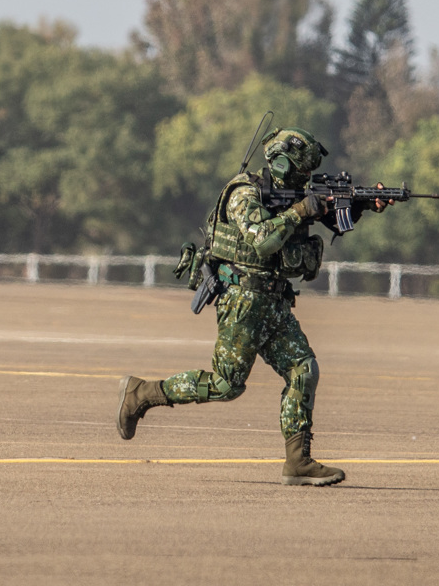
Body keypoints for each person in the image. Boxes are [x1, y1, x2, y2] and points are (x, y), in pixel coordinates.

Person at [116, 126, 392, 486]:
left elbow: (330, 217)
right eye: (299, 170)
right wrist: (298, 212)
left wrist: (362, 205)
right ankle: (142, 393)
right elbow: (262, 241)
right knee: (226, 384)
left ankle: (298, 461)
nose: (304, 178)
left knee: (303, 369)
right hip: (243, 299)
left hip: (274, 300)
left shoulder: (292, 195)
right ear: (279, 162)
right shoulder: (244, 193)